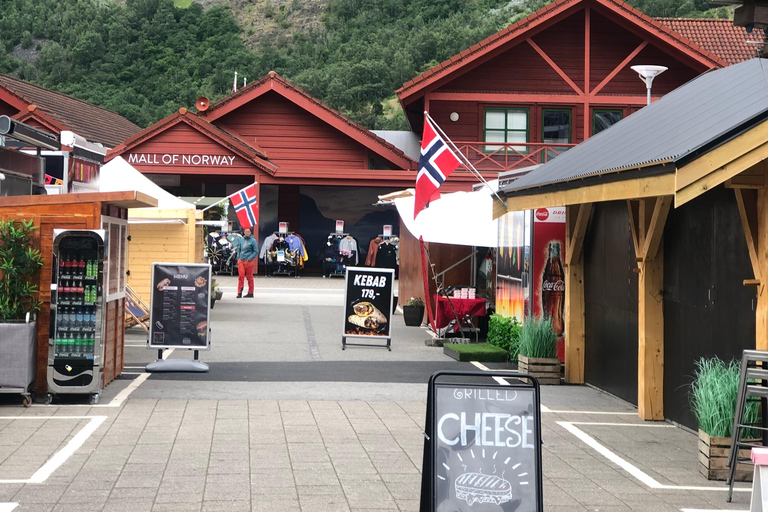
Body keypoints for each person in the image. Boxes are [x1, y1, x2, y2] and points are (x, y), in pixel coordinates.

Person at [236, 228, 258, 298]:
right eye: (246, 231)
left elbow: (256, 251)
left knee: (249, 277)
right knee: (241, 276)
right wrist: (238, 258)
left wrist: (249, 259)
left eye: (248, 231)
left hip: (248, 261)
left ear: (250, 232)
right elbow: (238, 249)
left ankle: (250, 292)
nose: (247, 233)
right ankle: (239, 292)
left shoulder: (253, 240)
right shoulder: (241, 239)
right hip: (241, 261)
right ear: (244, 232)